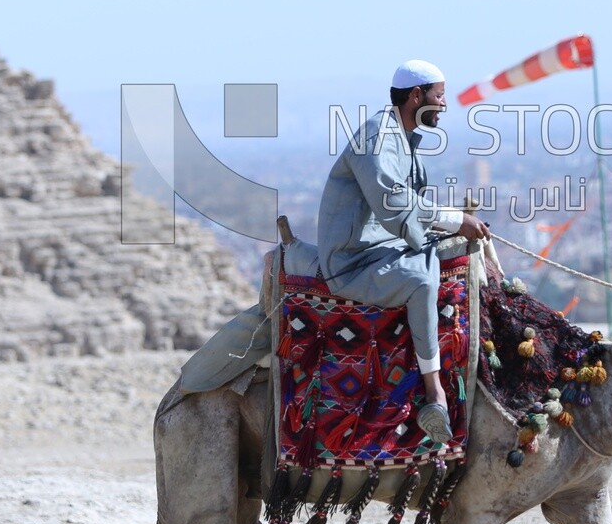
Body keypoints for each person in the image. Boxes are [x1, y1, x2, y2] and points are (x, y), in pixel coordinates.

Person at [177, 60, 489, 445]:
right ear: (416, 96)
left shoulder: (401, 137)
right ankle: (435, 394)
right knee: (422, 283)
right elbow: (393, 205)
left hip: (382, 247)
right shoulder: (376, 138)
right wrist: (454, 219)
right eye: (439, 96)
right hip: (352, 263)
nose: (444, 105)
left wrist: (450, 226)